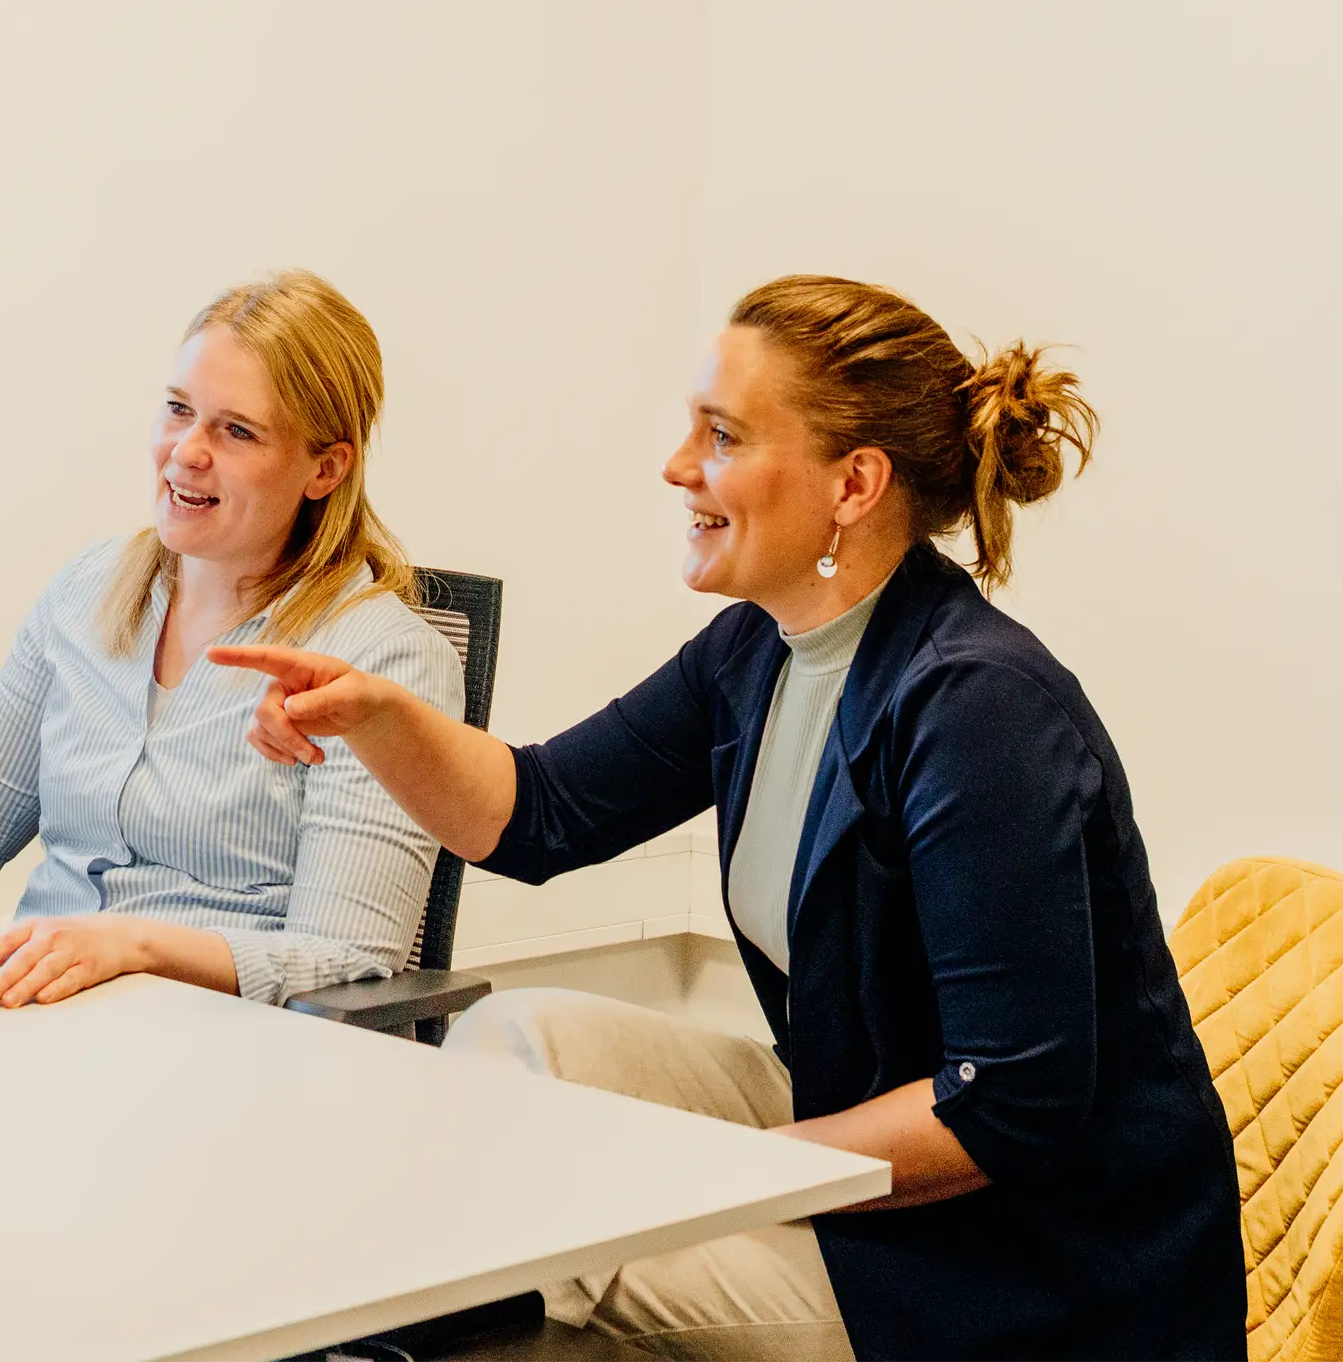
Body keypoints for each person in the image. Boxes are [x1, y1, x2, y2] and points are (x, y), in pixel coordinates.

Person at [212, 276, 1244, 1362]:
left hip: (1020, 1267)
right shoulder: (758, 647)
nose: (676, 466)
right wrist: (376, 717)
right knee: (518, 1040)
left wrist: (730, 1180)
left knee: (561, 1240)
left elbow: (1005, 1107)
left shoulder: (979, 709)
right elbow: (538, 814)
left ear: (854, 483)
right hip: (870, 1135)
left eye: (722, 435)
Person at [0, 270, 462, 1010]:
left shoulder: (383, 660)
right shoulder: (87, 589)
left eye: (237, 431)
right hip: (30, 1014)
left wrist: (134, 946)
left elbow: (344, 955)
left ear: (325, 468)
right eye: (179, 410)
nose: (187, 452)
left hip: (224, 1045)